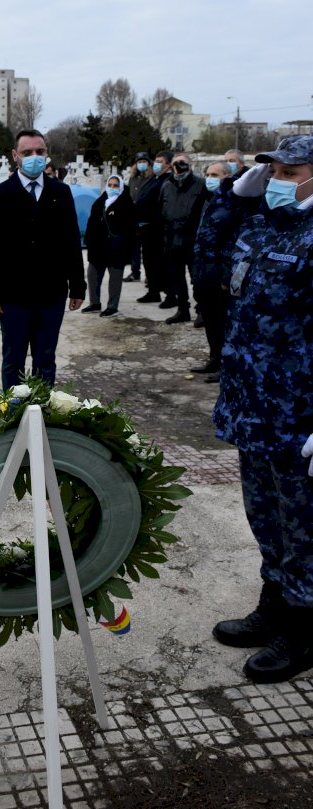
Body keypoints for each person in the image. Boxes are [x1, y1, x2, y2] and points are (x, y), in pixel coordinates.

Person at [212, 134, 313, 684]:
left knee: (305, 525)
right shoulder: (263, 225)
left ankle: (303, 625)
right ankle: (276, 603)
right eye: (272, 169)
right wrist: (232, 194)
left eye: (291, 171)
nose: (278, 179)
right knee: (265, 515)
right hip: (255, 407)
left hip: (299, 414)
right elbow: (207, 258)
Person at [0, 129, 85, 390]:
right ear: (15, 156)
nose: (34, 157)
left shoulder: (61, 192)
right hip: (13, 296)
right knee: (13, 360)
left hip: (52, 293)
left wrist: (78, 286)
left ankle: (42, 417)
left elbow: (71, 241)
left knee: (45, 359)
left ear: (47, 154)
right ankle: (14, 419)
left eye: (39, 152)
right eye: (27, 153)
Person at [190, 160, 240, 382]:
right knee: (209, 318)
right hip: (203, 270)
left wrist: (228, 275)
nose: (210, 178)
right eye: (208, 174)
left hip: (220, 272)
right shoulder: (209, 199)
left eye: (215, 174)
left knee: (222, 321)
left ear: (226, 177)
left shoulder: (234, 203)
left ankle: (224, 366)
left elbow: (235, 241)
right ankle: (213, 359)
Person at [158, 153, 207, 323]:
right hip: (172, 239)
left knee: (197, 278)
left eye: (182, 163)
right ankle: (182, 309)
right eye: (176, 163)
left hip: (193, 240)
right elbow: (161, 210)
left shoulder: (201, 184)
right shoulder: (167, 185)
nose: (179, 166)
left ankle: (201, 310)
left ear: (190, 165)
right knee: (177, 277)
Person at [82, 174, 136, 318]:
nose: (112, 188)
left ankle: (112, 306)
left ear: (121, 187)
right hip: (98, 247)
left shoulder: (126, 203)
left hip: (116, 248)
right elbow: (91, 222)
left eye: (115, 185)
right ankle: (95, 303)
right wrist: (89, 240)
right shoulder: (99, 202)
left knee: (115, 279)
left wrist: (124, 244)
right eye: (110, 185)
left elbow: (131, 228)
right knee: (93, 276)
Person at [134, 149, 173, 304]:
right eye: (155, 161)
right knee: (149, 261)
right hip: (146, 228)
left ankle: (171, 294)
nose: (156, 164)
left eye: (160, 162)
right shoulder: (153, 178)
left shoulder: (168, 181)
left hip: (158, 228)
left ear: (169, 165)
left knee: (162, 263)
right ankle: (153, 291)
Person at [124, 151, 152, 282]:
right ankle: (135, 272)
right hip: (133, 217)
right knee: (134, 247)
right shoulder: (133, 178)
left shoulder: (151, 178)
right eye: (139, 162)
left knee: (147, 247)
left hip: (146, 217)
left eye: (144, 162)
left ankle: (149, 274)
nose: (141, 164)